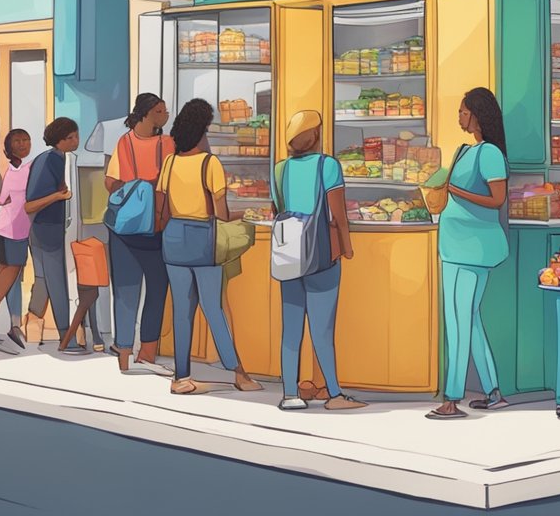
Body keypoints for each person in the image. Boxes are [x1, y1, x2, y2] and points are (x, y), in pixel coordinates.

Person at [156, 99, 261, 395]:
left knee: (181, 311)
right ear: (202, 129)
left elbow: (160, 208)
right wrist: (249, 211)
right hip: (202, 238)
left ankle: (181, 377)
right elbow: (222, 214)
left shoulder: (170, 162)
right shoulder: (209, 163)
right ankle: (238, 373)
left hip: (173, 238)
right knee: (213, 308)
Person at [274, 110, 366, 412]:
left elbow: (280, 208)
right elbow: (338, 215)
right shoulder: (328, 166)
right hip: (321, 253)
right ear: (314, 134)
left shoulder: (280, 169)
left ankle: (290, 394)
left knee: (291, 328)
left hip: (288, 253)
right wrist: (348, 248)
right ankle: (335, 395)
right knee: (322, 329)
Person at [428, 88, 511, 420]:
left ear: (478, 115)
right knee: (470, 319)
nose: (459, 117)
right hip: (455, 245)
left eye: (463, 112)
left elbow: (497, 200)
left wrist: (454, 191)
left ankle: (451, 398)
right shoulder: (465, 150)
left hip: (471, 250)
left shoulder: (489, 153)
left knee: (457, 321)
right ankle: (493, 392)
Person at [104, 93, 175, 377]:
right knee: (157, 289)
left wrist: (133, 188)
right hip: (155, 227)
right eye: (160, 111)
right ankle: (147, 353)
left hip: (123, 227)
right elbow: (172, 183)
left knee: (124, 291)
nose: (165, 115)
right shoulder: (168, 144)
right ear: (147, 114)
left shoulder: (123, 143)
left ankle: (123, 355)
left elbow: (110, 182)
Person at [24, 118, 81, 353]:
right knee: (57, 283)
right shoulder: (50, 160)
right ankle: (66, 338)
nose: (76, 141)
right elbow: (30, 204)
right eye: (71, 138)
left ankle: (32, 330)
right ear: (60, 140)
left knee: (44, 282)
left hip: (44, 228)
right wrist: (58, 197)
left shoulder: (59, 158)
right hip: (46, 228)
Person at [0, 128, 34, 354]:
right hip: (12, 230)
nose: (23, 144)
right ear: (9, 147)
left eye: (26, 140)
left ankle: (14, 324)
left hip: (11, 229)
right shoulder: (18, 171)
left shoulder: (18, 169)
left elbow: (3, 198)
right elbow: (2, 199)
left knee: (10, 276)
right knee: (9, 274)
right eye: (18, 141)